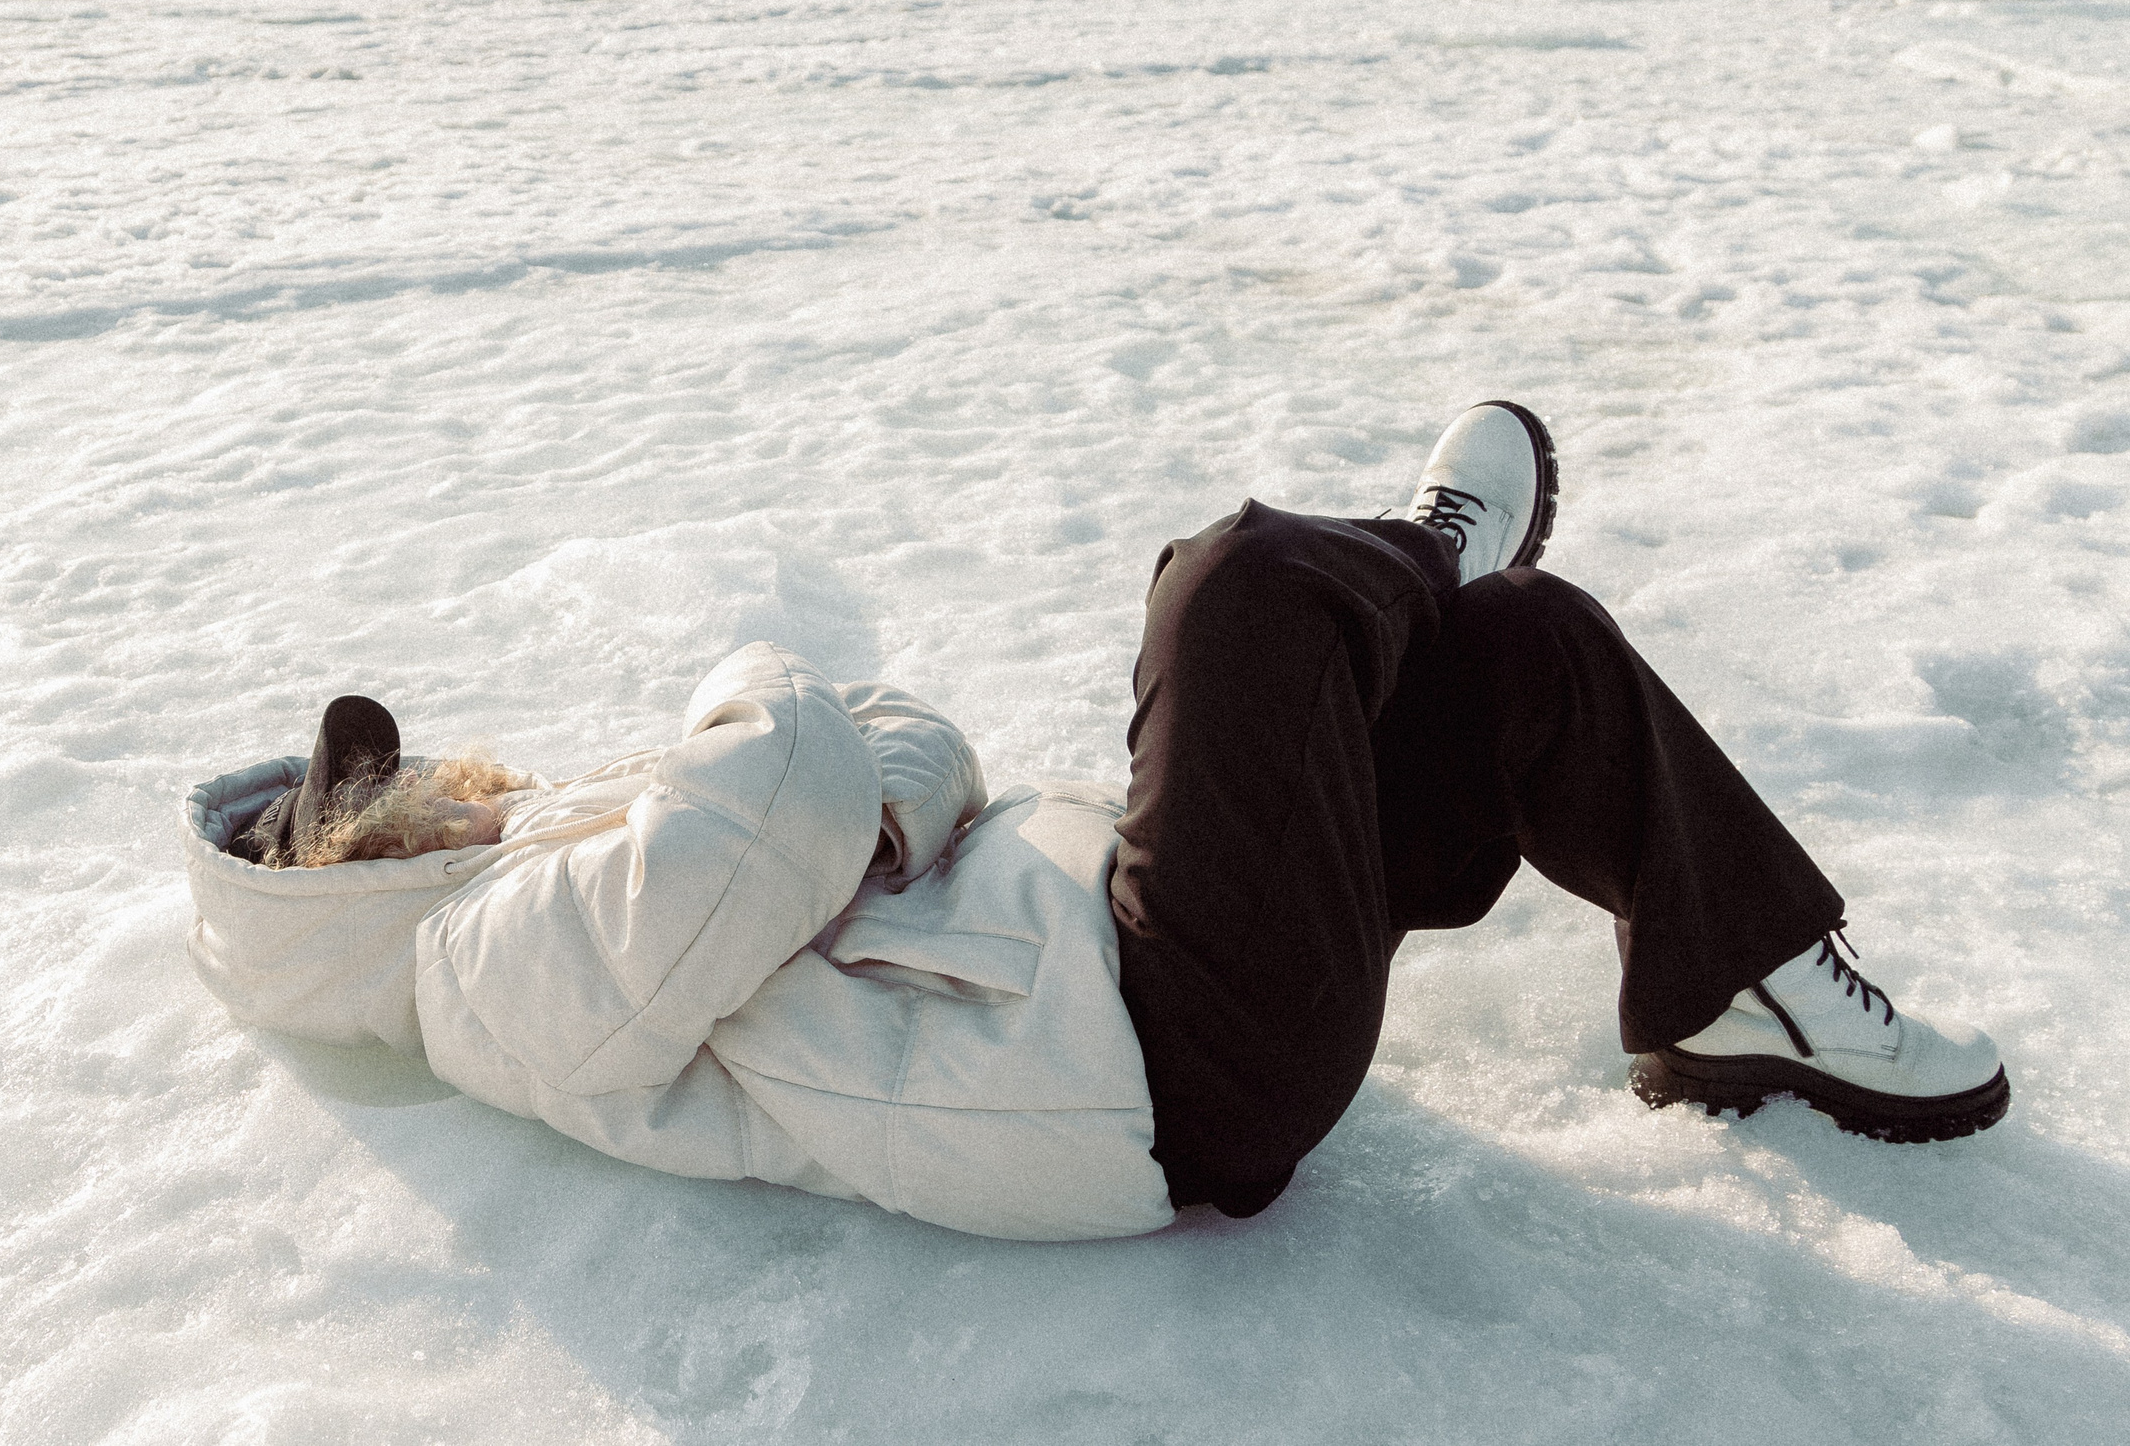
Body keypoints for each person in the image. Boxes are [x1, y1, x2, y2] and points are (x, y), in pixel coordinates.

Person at [181, 403, 2009, 1240]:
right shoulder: (481, 975)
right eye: (371, 800)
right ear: (333, 871)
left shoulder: (542, 891)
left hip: (1151, 955)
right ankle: (1423, 554)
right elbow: (810, 771)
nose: (431, 792)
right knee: (1229, 587)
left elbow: (906, 746)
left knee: (1527, 651)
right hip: (1158, 1053)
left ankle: (1734, 979)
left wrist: (851, 820)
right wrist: (764, 736)